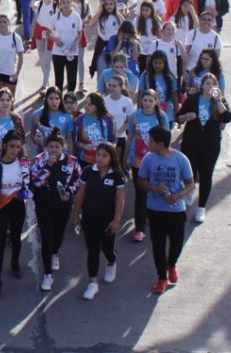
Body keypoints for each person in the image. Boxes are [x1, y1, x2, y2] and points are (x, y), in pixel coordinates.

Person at [138, 126, 195, 294]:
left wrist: (177, 197)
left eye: (151, 141)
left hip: (176, 209)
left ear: (161, 143)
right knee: (158, 244)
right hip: (155, 209)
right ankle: (162, 277)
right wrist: (153, 188)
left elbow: (190, 183)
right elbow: (140, 182)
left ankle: (172, 264)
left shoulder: (181, 159)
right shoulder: (148, 159)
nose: (148, 143)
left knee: (177, 242)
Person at [72, 143, 126, 300]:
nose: (100, 158)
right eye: (98, 155)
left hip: (108, 220)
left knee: (108, 248)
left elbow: (120, 199)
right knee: (92, 250)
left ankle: (112, 261)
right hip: (90, 218)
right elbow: (81, 194)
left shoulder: (117, 175)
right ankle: (93, 282)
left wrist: (116, 220)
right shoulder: (88, 172)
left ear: (111, 157)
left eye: (104, 155)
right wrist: (77, 216)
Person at [0, 130, 32, 299]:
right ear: (4, 146)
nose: (15, 149)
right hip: (1, 207)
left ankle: (15, 263)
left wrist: (25, 194)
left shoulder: (23, 163)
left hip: (17, 205)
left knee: (16, 237)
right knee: (1, 243)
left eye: (18, 146)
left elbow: (28, 183)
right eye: (12, 146)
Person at [30, 128, 81, 291]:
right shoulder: (38, 160)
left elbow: (79, 180)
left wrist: (70, 192)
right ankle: (47, 274)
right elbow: (36, 182)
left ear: (62, 147)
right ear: (46, 147)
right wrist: (48, 167)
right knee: (47, 237)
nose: (54, 150)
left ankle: (55, 253)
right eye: (51, 147)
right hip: (44, 204)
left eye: (57, 147)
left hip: (63, 204)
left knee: (58, 234)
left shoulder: (72, 161)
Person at [179, 73, 231, 223]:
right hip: (191, 142)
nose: (210, 87)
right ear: (202, 86)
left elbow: (227, 118)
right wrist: (185, 117)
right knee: (190, 171)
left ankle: (201, 207)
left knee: (206, 174)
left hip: (211, 144)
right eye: (207, 83)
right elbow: (178, 117)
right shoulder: (193, 99)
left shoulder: (219, 102)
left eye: (213, 84)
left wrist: (218, 100)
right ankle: (189, 193)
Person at [126, 89, 170, 243]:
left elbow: (166, 140)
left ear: (156, 101)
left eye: (151, 100)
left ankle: (152, 217)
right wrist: (125, 157)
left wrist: (166, 158)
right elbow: (130, 136)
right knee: (141, 193)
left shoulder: (162, 117)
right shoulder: (135, 116)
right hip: (137, 160)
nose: (147, 103)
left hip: (156, 160)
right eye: (145, 100)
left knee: (156, 191)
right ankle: (139, 229)